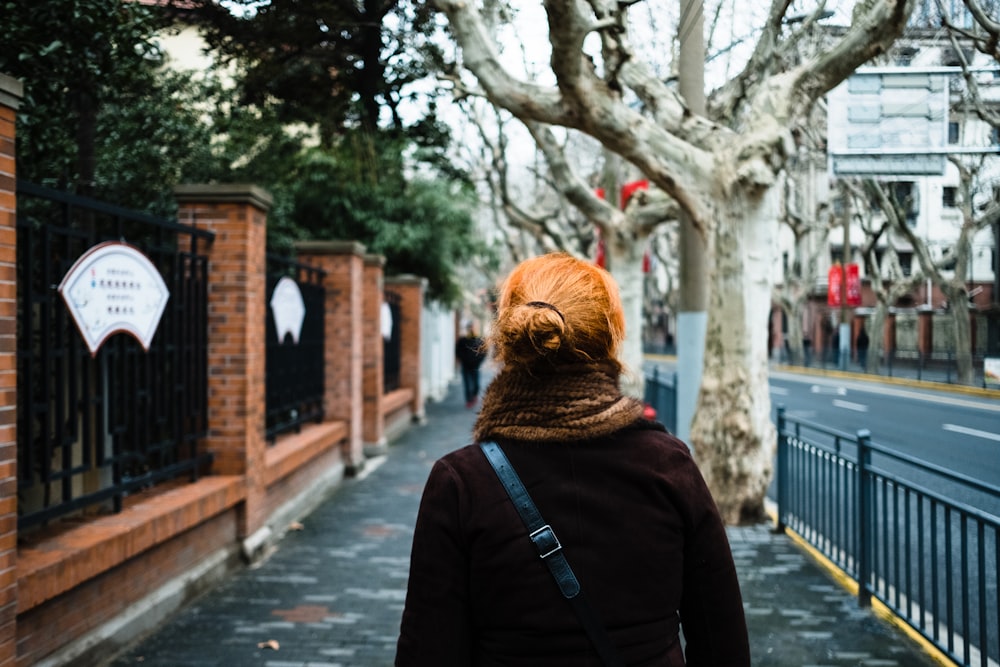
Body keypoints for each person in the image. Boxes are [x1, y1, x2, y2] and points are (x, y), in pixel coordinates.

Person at [396, 252, 750, 666]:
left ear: (510, 340)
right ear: (609, 341)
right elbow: (721, 639)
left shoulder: (460, 483)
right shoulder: (669, 467)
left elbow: (428, 649)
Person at [456, 322, 487, 408]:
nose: (471, 330)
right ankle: (469, 400)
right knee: (467, 384)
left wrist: (479, 361)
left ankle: (474, 395)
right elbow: (458, 351)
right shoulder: (463, 340)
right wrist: (463, 359)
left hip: (475, 366)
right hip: (465, 366)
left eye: (473, 328)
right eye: (470, 328)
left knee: (476, 384)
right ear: (467, 329)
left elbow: (484, 352)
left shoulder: (479, 340)